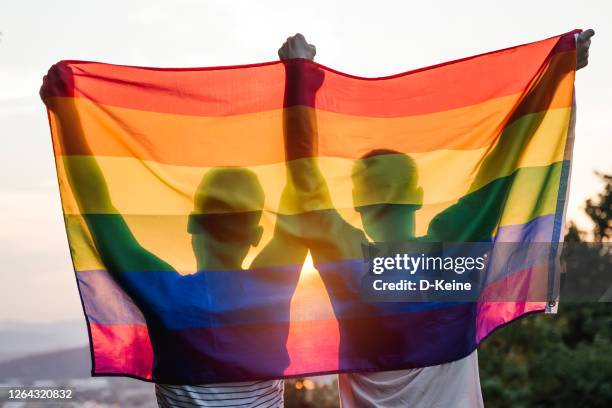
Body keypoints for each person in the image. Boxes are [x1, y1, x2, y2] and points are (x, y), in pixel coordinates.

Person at [276, 29, 594, 407]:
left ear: (357, 200)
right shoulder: (455, 247)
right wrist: (556, 72)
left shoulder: (348, 260)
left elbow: (304, 178)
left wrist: (299, 78)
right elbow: (506, 157)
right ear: (418, 196)